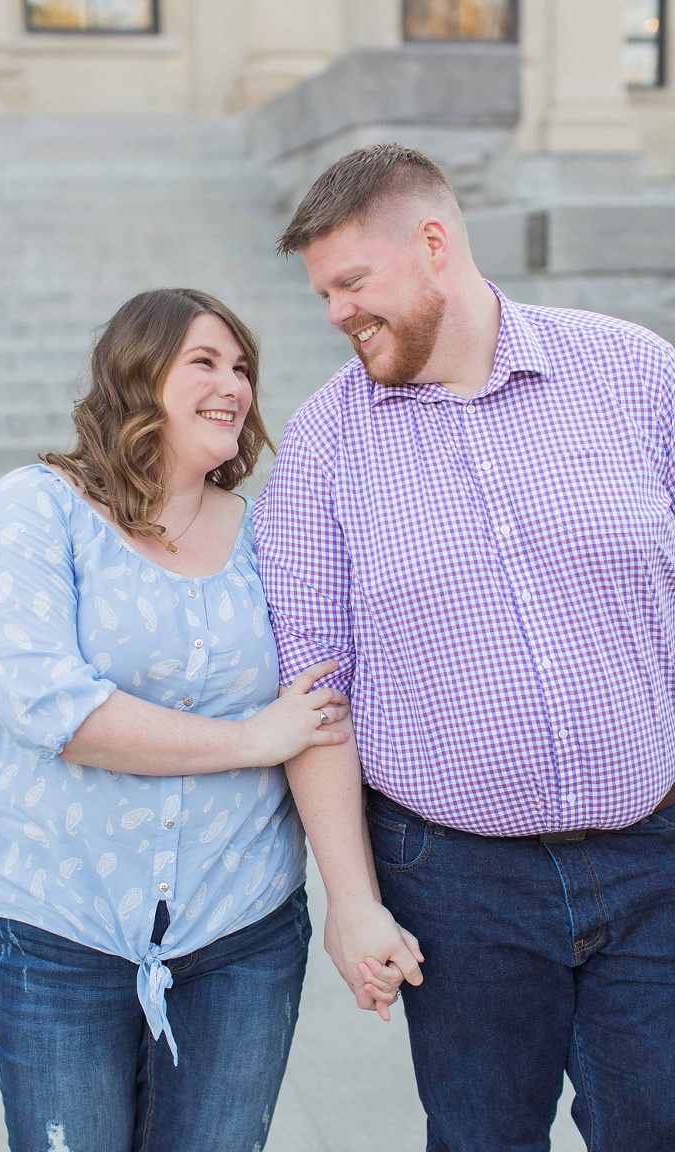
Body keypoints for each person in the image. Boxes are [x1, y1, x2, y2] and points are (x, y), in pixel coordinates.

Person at [253, 143, 675, 1151]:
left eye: (352, 283)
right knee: (483, 1136)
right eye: (321, 294)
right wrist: (352, 906)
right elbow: (316, 690)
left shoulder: (636, 375)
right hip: (454, 886)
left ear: (434, 244)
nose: (336, 316)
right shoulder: (321, 448)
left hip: (655, 860)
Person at [0, 287, 364, 1152]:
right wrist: (251, 739)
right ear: (138, 378)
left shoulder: (269, 532)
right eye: (205, 362)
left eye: (244, 366)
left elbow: (321, 704)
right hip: (60, 933)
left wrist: (353, 902)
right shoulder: (36, 510)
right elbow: (48, 705)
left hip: (240, 932)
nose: (235, 385)